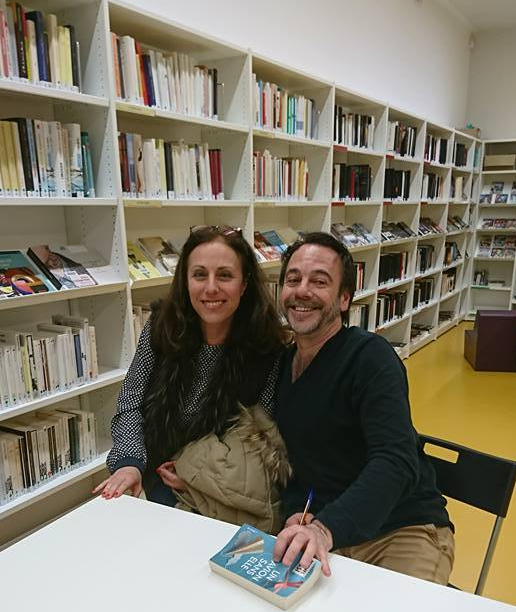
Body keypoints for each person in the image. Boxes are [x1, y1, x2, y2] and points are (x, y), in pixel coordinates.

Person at [272, 232, 454, 583]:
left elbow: (395, 460)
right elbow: (294, 460)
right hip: (327, 529)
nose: (302, 291)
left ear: (344, 299)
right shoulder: (282, 365)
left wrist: (325, 528)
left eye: (319, 282)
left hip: (402, 529)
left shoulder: (370, 357)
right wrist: (297, 510)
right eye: (293, 280)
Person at [94, 225, 290, 531]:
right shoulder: (162, 327)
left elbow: (256, 437)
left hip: (217, 494)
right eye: (199, 275)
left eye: (224, 275)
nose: (211, 288)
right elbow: (130, 401)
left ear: (244, 284)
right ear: (185, 281)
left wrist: (196, 477)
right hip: (153, 474)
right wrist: (129, 462)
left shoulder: (267, 348)